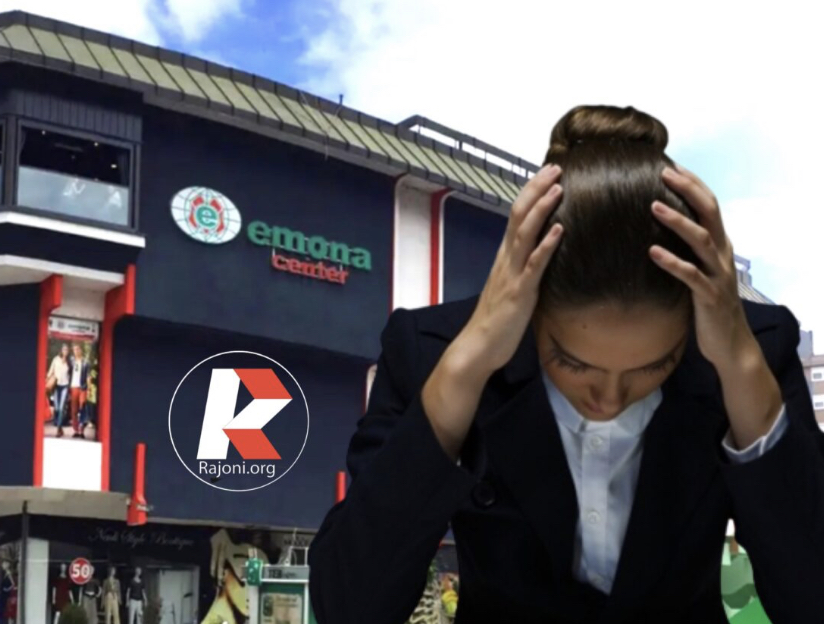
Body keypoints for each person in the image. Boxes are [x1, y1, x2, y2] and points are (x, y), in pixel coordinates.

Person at [307, 105, 824, 624]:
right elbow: (349, 607)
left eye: (653, 366)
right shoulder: (432, 352)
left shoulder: (749, 353)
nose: (610, 400)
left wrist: (741, 367)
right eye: (573, 362)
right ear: (530, 306)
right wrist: (466, 366)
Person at [47, 344, 71, 437]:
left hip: (65, 386)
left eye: (67, 350)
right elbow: (51, 370)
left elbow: (71, 374)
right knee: (56, 408)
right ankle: (60, 428)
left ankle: (58, 430)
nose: (65, 351)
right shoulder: (56, 359)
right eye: (64, 349)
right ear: (61, 350)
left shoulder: (69, 361)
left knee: (61, 408)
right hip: (56, 385)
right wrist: (47, 380)